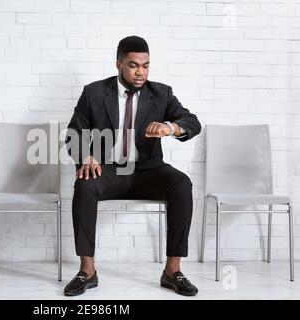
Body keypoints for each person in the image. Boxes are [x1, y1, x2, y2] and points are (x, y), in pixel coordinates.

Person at [63, 36, 202, 296]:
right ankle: (87, 271)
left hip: (149, 170)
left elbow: (192, 122)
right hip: (108, 169)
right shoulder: (94, 92)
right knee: (84, 184)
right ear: (118, 64)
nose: (141, 72)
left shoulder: (162, 93)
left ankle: (172, 271)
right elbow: (74, 132)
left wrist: (170, 127)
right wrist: (85, 156)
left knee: (181, 183)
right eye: (133, 65)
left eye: (146, 65)